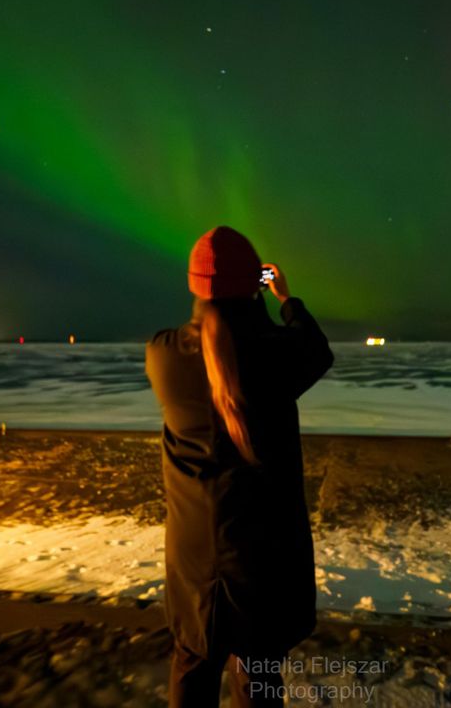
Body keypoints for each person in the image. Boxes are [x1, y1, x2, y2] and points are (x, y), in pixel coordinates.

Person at [145, 226, 334, 707]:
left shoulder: (163, 354)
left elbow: (219, 343)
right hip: (262, 558)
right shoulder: (277, 353)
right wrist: (284, 297)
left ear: (195, 284)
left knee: (191, 660)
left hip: (193, 554)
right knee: (258, 677)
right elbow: (315, 349)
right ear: (254, 282)